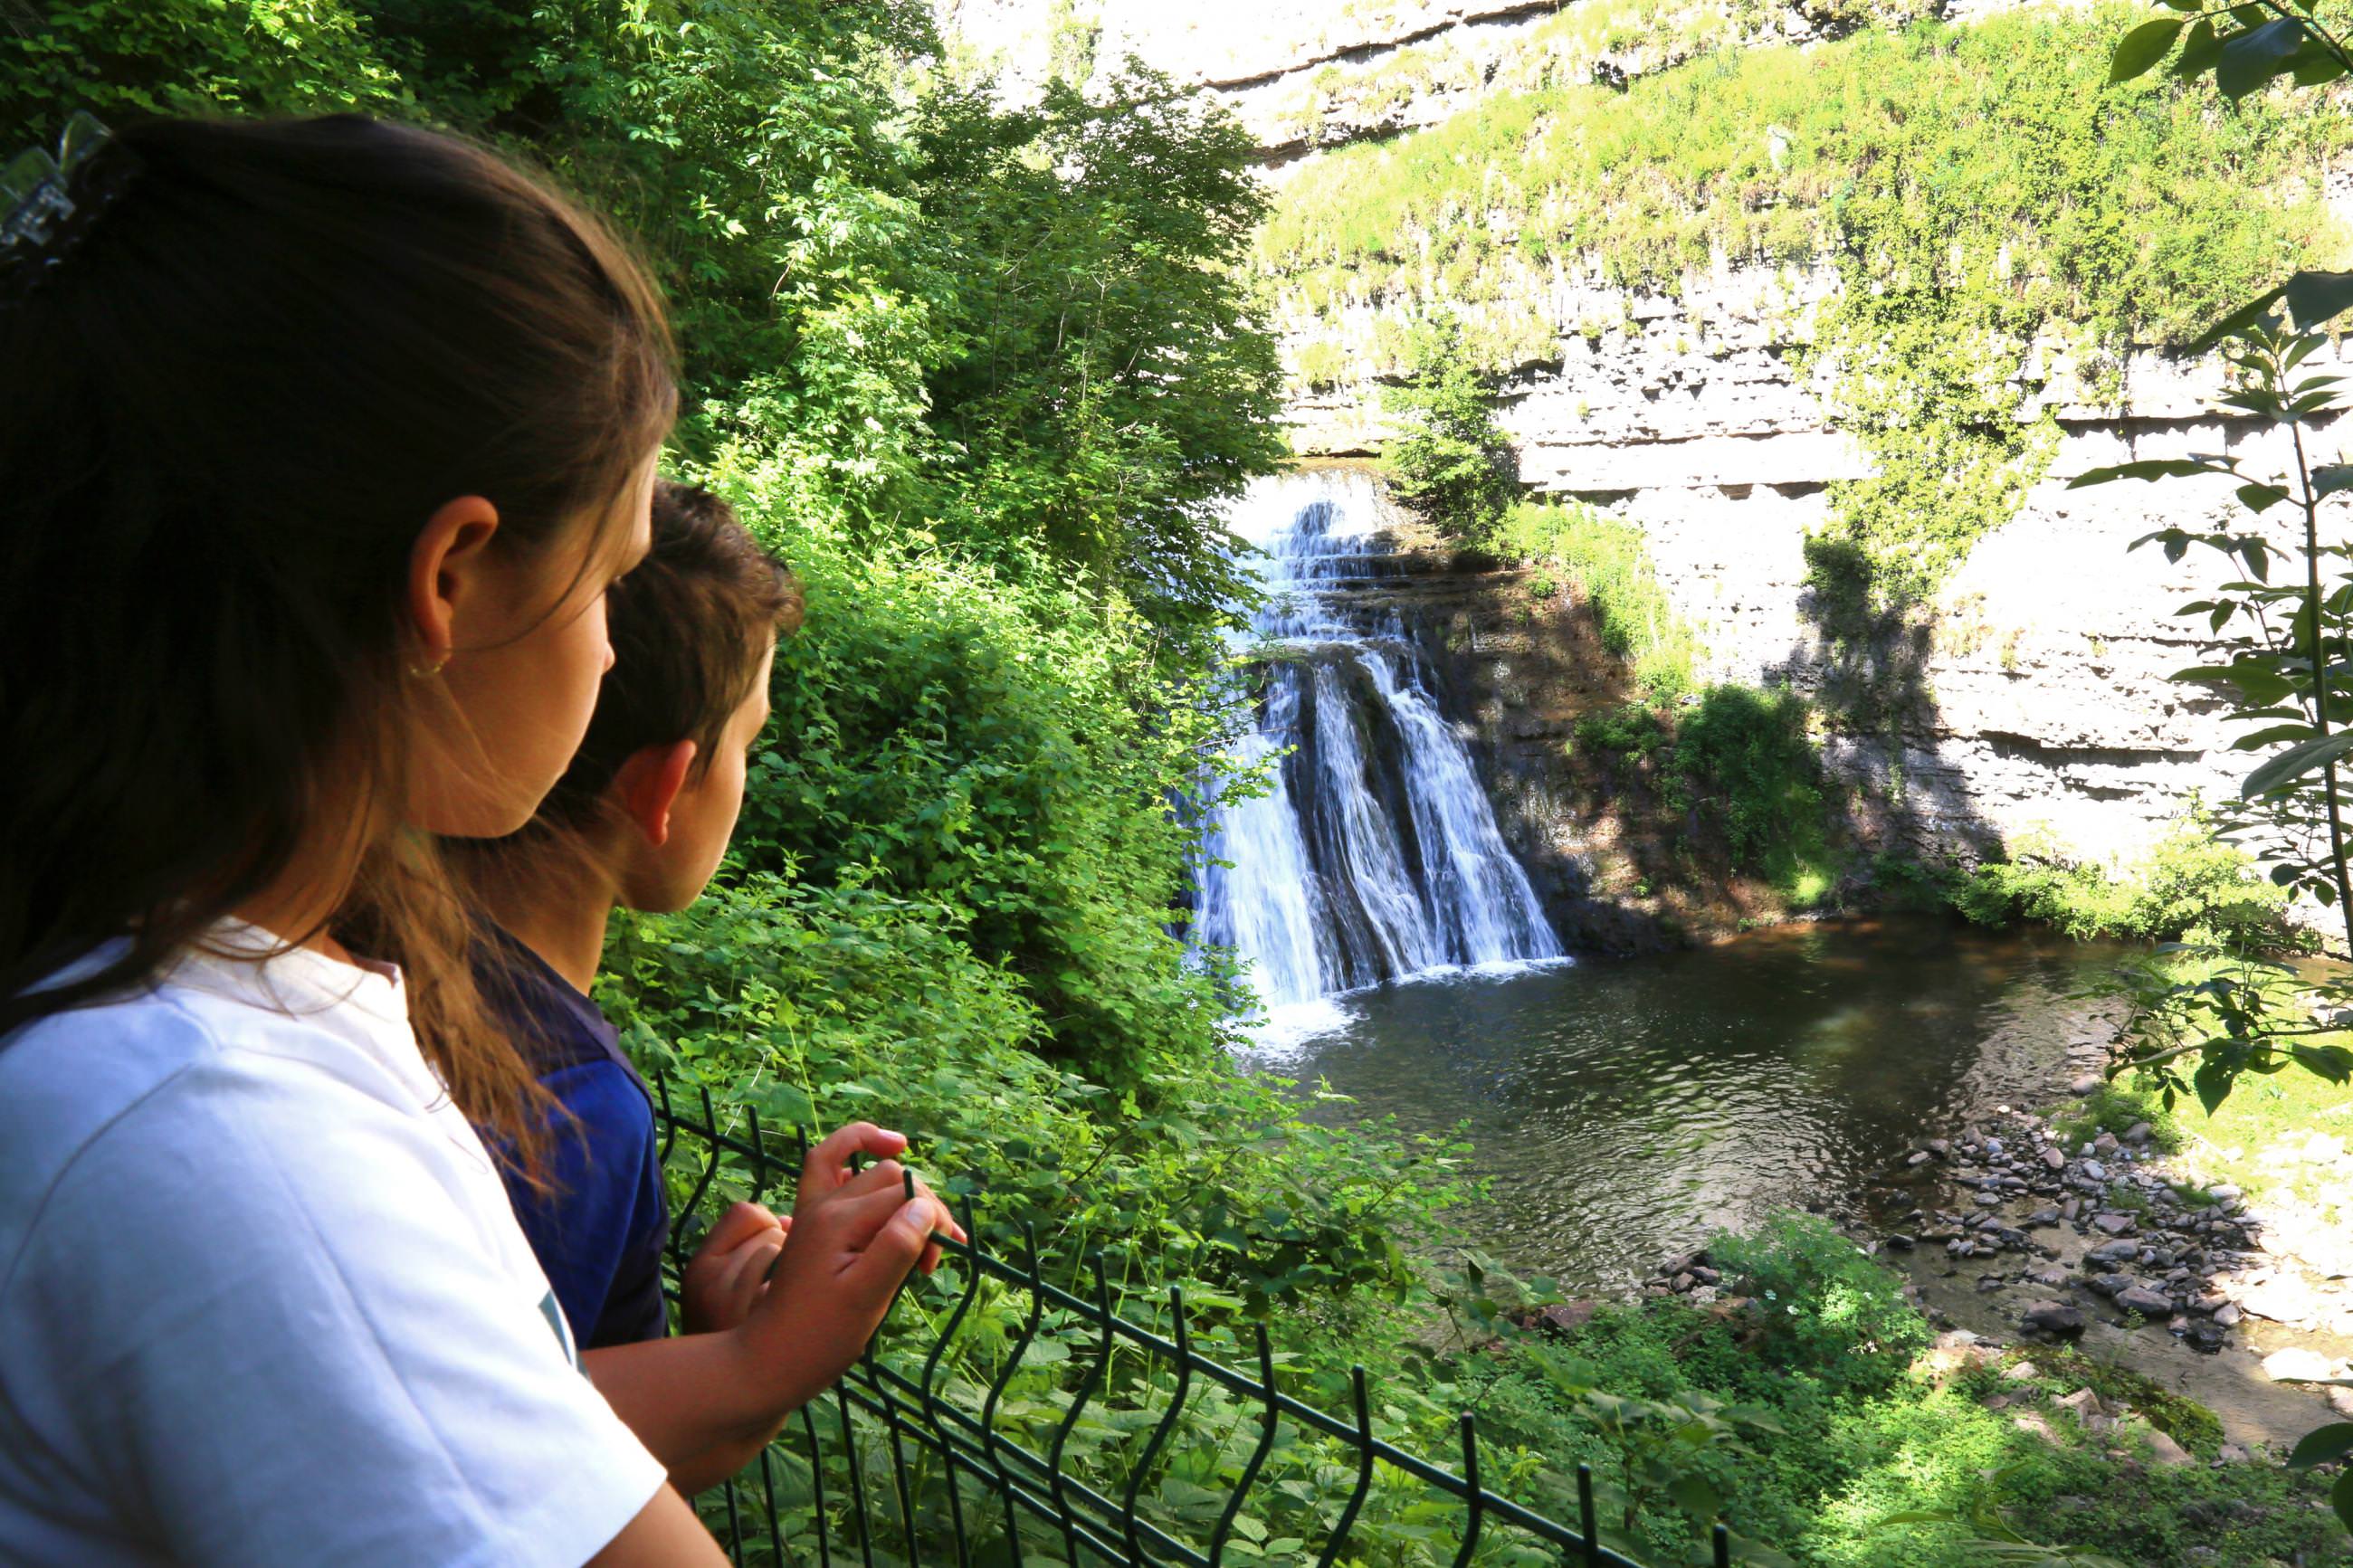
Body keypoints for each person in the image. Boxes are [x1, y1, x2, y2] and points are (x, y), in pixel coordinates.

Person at [0, 113, 955, 1567]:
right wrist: (753, 1378)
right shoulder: (218, 1133)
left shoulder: (195, 972)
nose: (600, 648)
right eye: (605, 581)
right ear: (448, 577)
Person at [456, 480, 938, 1495]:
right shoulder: (564, 1103)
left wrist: (716, 1351)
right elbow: (510, 1485)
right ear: (662, 789)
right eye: (749, 742)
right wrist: (766, 1357)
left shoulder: (390, 954)